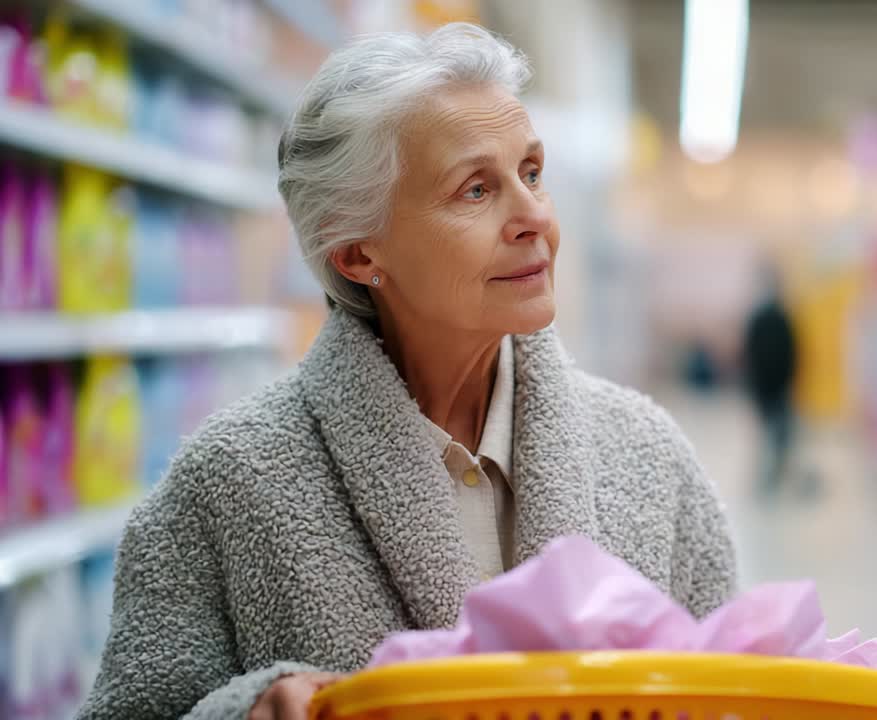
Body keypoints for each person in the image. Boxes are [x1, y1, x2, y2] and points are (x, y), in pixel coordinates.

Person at [77, 25, 737, 720]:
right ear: (358, 254)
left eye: (532, 173)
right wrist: (251, 711)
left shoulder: (648, 459)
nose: (535, 217)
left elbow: (736, 691)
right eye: (476, 190)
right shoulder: (229, 482)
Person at [742, 270, 798, 491]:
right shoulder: (783, 317)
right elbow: (793, 353)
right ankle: (773, 475)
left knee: (765, 431)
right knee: (778, 433)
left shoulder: (758, 319)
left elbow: (749, 354)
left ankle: (766, 476)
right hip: (777, 385)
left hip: (764, 386)